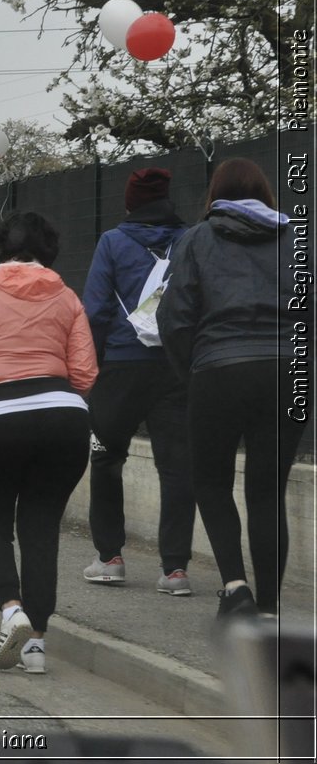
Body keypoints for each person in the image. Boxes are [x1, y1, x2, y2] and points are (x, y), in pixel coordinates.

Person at [0, 212, 97, 675]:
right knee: (41, 526)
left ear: (0, 248)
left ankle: (12, 610)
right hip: (63, 418)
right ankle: (36, 647)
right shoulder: (67, 297)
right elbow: (85, 371)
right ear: (48, 250)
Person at [157, 158, 309, 620]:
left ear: (215, 195)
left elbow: (173, 317)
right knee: (267, 490)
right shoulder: (298, 238)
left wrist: (194, 369)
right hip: (286, 373)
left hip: (218, 370)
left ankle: (236, 588)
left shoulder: (198, 239)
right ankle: (267, 606)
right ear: (266, 193)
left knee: (211, 481)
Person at [80, 168, 195, 595]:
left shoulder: (112, 242)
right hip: (175, 367)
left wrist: (90, 368)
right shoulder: (190, 241)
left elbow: (93, 310)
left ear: (130, 204)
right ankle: (175, 570)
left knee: (107, 458)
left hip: (121, 366)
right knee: (177, 467)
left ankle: (110, 558)